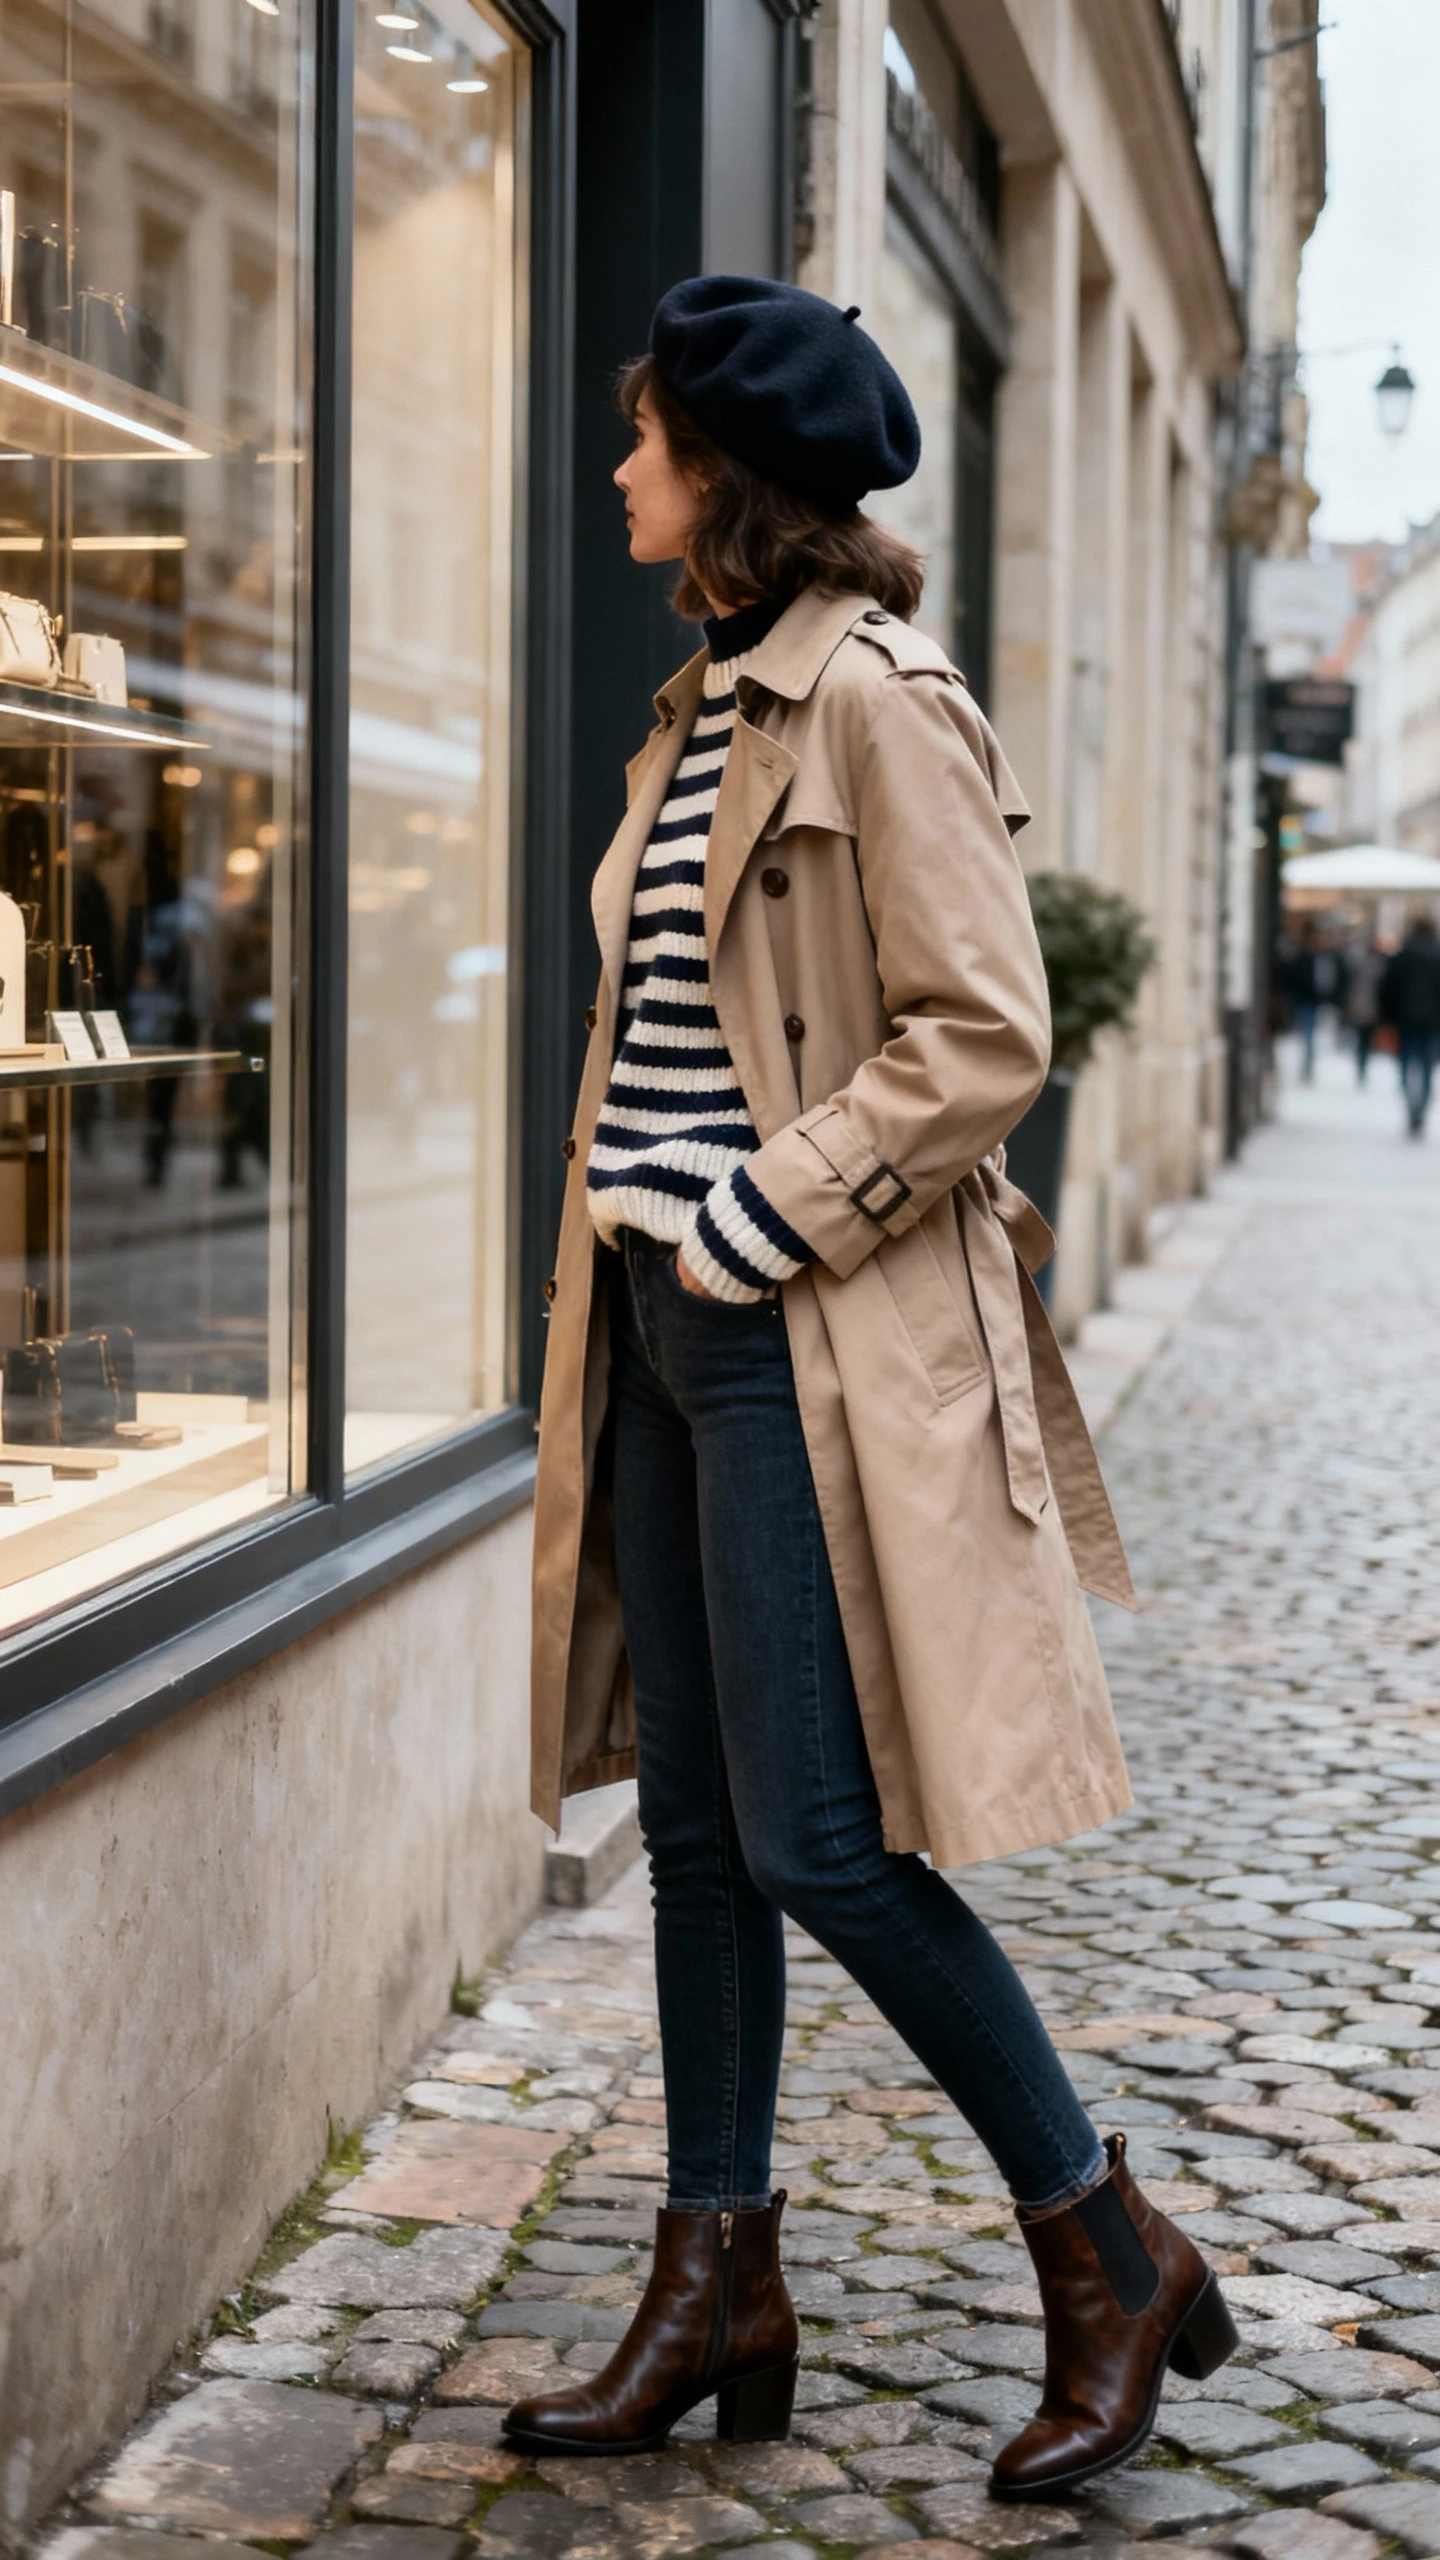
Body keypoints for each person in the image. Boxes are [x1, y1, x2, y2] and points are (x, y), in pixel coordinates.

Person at [504, 276, 1238, 2502]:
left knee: (824, 1834)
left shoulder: (877, 704)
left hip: (785, 1327)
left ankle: (1102, 2235)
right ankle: (718, 2269)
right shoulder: (697, 707)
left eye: (641, 437)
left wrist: (752, 1214)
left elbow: (983, 1028)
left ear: (722, 473)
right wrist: (662, 1245)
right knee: (704, 1834)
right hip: (645, 1324)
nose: (616, 467)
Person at [1380, 915, 1440, 1136]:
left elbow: (1387, 988)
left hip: (1405, 1019)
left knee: (1407, 1063)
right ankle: (1421, 1106)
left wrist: (1387, 1018)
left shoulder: (1402, 956)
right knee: (1426, 1066)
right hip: (1433, 1021)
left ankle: (1411, 1105)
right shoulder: (1437, 955)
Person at [1342, 932, 1385, 1084]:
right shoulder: (1377, 965)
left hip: (1364, 1007)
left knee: (1364, 1040)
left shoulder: (1362, 964)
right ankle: (1361, 1064)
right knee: (1364, 1039)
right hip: (1366, 1007)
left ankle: (1362, 1064)